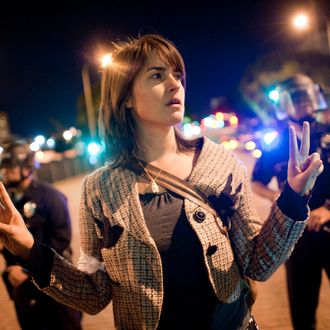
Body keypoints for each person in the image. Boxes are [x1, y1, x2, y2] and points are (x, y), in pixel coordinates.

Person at [0, 35, 324, 330]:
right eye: (157, 75)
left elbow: (259, 263)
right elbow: (93, 295)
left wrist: (293, 197)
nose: (175, 84)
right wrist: (29, 250)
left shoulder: (220, 163)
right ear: (125, 97)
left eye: (178, 75)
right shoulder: (99, 188)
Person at [251, 74, 330, 330]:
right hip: (298, 238)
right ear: (285, 104)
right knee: (302, 308)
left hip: (329, 228)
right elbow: (256, 181)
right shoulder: (276, 143)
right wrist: (283, 199)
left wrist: (327, 210)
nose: (303, 103)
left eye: (306, 96)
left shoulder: (328, 133)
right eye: (296, 98)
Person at [0, 140, 82, 330]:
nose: (5, 172)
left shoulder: (51, 196)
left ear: (27, 167)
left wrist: (27, 271)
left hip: (54, 285)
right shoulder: (9, 201)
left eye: (10, 167)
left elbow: (61, 240)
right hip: (24, 290)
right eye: (3, 168)